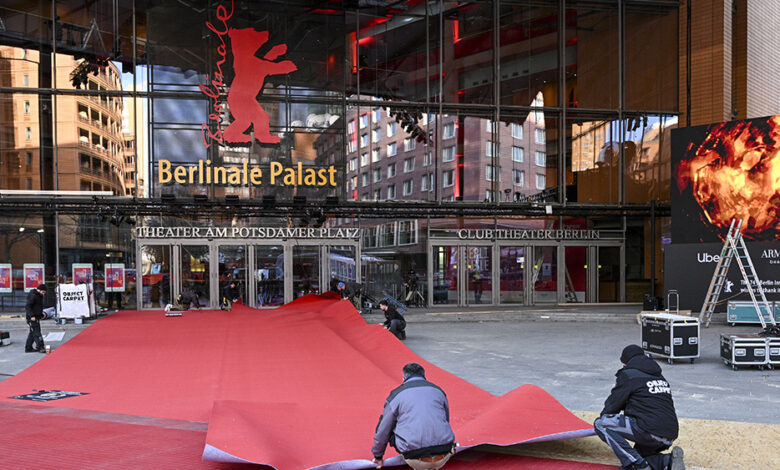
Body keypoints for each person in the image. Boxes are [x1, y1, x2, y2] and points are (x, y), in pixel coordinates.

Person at [594, 345, 685, 470]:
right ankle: (667, 461)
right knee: (636, 457)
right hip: (669, 435)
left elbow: (612, 406)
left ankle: (638, 465)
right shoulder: (659, 377)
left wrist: (606, 417)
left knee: (601, 424)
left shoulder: (628, 375)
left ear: (625, 362)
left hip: (648, 431)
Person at [371, 363, 456, 470]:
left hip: (415, 457)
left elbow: (383, 430)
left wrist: (378, 456)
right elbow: (445, 419)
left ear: (403, 378)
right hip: (444, 454)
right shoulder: (438, 391)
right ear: (424, 376)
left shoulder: (397, 394)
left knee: (389, 423)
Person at [25, 284, 47, 353]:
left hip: (36, 317)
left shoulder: (39, 296)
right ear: (39, 290)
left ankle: (28, 348)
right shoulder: (33, 296)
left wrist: (40, 315)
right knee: (37, 332)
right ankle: (40, 347)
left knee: (33, 332)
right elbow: (28, 306)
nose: (43, 294)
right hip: (32, 318)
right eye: (43, 292)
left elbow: (38, 307)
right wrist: (32, 316)